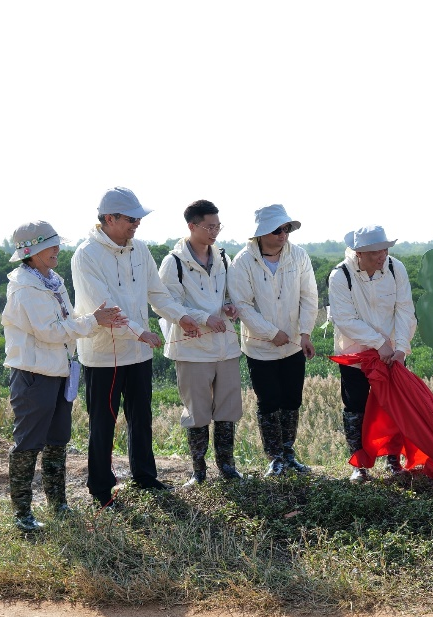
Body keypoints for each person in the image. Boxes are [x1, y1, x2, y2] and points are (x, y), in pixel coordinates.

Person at [72, 188, 201, 507]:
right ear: (109, 219)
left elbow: (156, 293)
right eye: (132, 218)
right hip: (105, 355)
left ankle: (145, 476)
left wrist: (181, 316)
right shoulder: (85, 255)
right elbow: (104, 305)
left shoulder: (139, 249)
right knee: (104, 421)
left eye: (139, 218)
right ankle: (101, 487)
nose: (137, 223)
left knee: (141, 416)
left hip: (138, 353)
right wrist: (140, 332)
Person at [2, 221, 126, 531]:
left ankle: (58, 504)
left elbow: (67, 321)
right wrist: (91, 321)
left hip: (58, 371)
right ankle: (23, 514)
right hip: (33, 374)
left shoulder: (52, 280)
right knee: (28, 444)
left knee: (58, 441)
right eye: (50, 245)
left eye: (56, 243)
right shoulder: (25, 286)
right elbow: (49, 332)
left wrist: (94, 322)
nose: (57, 249)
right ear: (31, 252)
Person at [230, 205, 319, 476]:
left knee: (292, 399)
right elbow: (242, 305)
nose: (284, 234)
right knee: (268, 401)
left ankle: (289, 453)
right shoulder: (243, 261)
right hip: (259, 347)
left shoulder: (299, 256)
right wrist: (270, 333)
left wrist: (305, 333)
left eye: (287, 229)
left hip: (294, 342)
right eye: (278, 229)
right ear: (261, 233)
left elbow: (309, 296)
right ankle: (275, 457)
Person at [158, 200, 243, 485]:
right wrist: (203, 316)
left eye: (218, 225)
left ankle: (227, 467)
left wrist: (229, 307)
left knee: (228, 408)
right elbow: (167, 303)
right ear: (192, 226)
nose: (215, 231)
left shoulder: (222, 256)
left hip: (225, 345)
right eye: (210, 226)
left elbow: (230, 294)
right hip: (192, 348)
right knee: (196, 412)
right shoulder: (174, 263)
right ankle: (198, 471)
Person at [327, 225, 416, 483]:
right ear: (359, 254)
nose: (382, 256)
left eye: (385, 250)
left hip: (393, 353)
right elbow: (345, 319)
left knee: (393, 405)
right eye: (376, 252)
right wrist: (378, 343)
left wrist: (401, 348)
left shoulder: (395, 268)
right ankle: (360, 465)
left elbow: (404, 310)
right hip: (355, 354)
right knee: (355, 407)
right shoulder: (340, 275)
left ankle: (393, 460)